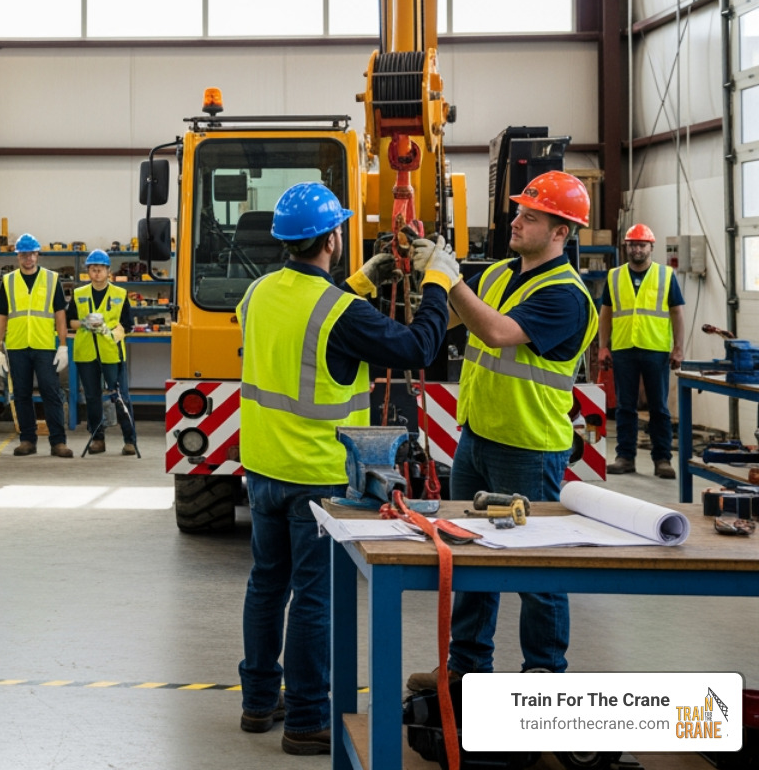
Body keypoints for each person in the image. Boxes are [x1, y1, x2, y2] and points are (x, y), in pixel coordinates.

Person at [236, 181, 456, 754]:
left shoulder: (256, 293)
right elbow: (418, 347)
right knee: (313, 596)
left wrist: (361, 281)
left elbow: (304, 318)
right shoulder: (343, 312)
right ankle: (307, 717)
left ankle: (258, 702)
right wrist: (437, 281)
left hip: (261, 468)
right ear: (333, 238)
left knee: (266, 584)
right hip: (317, 476)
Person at [409, 170, 598, 693]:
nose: (516, 221)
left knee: (537, 569)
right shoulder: (498, 274)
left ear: (560, 232)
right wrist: (428, 278)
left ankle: (544, 677)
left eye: (530, 217)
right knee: (468, 555)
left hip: (528, 448)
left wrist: (449, 278)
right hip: (477, 437)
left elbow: (494, 331)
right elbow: (454, 320)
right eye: (518, 211)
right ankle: (465, 669)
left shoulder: (566, 294)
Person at [597, 223, 684, 478]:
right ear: (626, 247)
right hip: (623, 348)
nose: (637, 249)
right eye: (632, 245)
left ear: (651, 247)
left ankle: (662, 460)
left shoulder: (665, 275)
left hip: (656, 349)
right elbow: (606, 313)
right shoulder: (614, 276)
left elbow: (677, 313)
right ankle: (625, 457)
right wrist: (603, 347)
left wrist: (678, 348)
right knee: (625, 407)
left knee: (659, 408)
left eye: (641, 245)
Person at [0, 234, 71, 457]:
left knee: (51, 393)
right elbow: (1, 316)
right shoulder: (8, 281)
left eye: (32, 254)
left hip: (44, 346)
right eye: (24, 255)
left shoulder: (51, 279)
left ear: (37, 255)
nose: (28, 259)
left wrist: (63, 345)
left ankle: (58, 442)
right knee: (21, 394)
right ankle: (27, 440)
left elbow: (60, 315)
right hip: (17, 346)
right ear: (18, 256)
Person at [67, 250, 136, 455]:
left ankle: (130, 440)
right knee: (92, 397)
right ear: (88, 271)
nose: (96, 273)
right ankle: (97, 439)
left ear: (108, 271)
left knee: (120, 396)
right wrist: (85, 323)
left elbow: (127, 325)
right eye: (93, 269)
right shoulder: (79, 294)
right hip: (86, 353)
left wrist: (111, 334)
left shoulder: (120, 294)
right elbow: (70, 322)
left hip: (112, 353)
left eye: (100, 269)